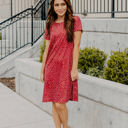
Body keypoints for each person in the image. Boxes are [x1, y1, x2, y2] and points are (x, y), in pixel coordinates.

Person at [40, 0, 83, 128]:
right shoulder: (50, 24)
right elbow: (47, 49)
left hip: (65, 67)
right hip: (51, 66)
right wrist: (42, 70)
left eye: (63, 4)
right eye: (57, 5)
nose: (60, 8)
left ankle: (65, 126)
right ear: (52, 7)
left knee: (60, 103)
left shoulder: (75, 21)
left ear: (67, 5)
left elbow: (77, 46)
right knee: (53, 101)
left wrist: (74, 69)